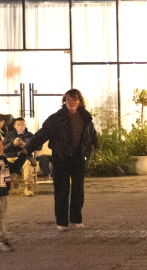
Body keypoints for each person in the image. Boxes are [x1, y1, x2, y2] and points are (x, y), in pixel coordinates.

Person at [25, 90, 98, 231]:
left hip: (78, 157)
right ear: (64, 101)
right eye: (68, 100)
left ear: (80, 101)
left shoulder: (86, 118)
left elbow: (92, 136)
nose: (71, 102)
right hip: (60, 157)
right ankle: (62, 222)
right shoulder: (56, 118)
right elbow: (42, 134)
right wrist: (28, 149)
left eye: (74, 99)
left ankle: (76, 219)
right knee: (61, 190)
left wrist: (92, 150)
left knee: (78, 189)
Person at [4, 117, 36, 197]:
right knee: (7, 163)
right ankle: (15, 184)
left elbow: (37, 147)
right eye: (18, 125)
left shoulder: (30, 135)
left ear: (25, 125)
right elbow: (3, 149)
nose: (21, 126)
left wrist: (25, 145)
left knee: (26, 163)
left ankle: (28, 186)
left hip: (25, 156)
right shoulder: (9, 135)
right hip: (11, 156)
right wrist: (13, 144)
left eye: (22, 124)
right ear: (14, 126)